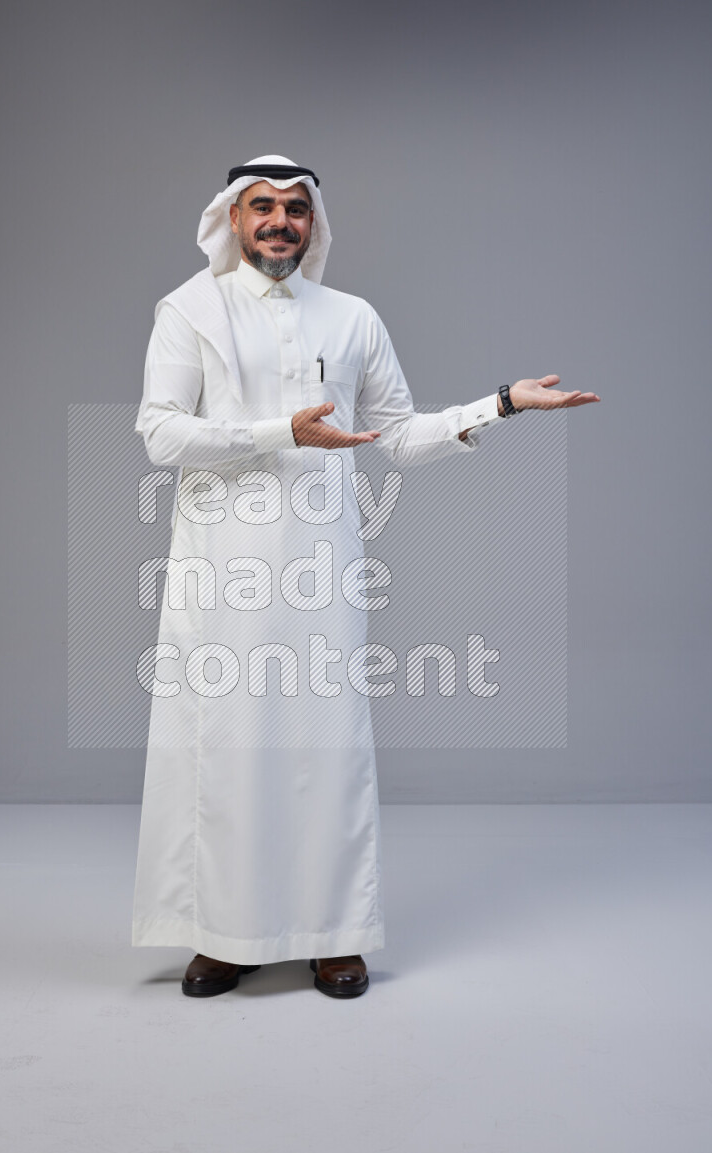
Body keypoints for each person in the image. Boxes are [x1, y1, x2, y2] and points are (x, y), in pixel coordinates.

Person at [131, 154, 600, 1000]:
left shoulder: (352, 318)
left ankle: (333, 934)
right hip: (221, 575)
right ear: (233, 218)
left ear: (314, 222)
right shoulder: (190, 310)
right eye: (263, 206)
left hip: (322, 573)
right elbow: (161, 434)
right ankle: (225, 936)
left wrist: (500, 403)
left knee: (326, 753)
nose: (279, 221)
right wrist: (281, 432)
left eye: (296, 208)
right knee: (228, 751)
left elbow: (400, 436)